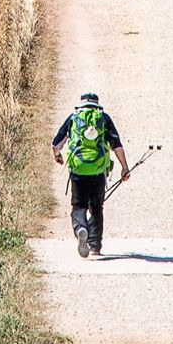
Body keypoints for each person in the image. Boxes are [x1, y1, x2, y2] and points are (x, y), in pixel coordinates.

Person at [53, 89, 127, 257]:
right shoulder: (103, 118)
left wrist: (57, 156)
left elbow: (56, 144)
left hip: (78, 170)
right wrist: (125, 167)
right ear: (96, 104)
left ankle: (80, 228)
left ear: (82, 103)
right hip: (98, 170)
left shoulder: (73, 118)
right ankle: (94, 246)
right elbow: (116, 144)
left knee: (78, 206)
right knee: (96, 207)